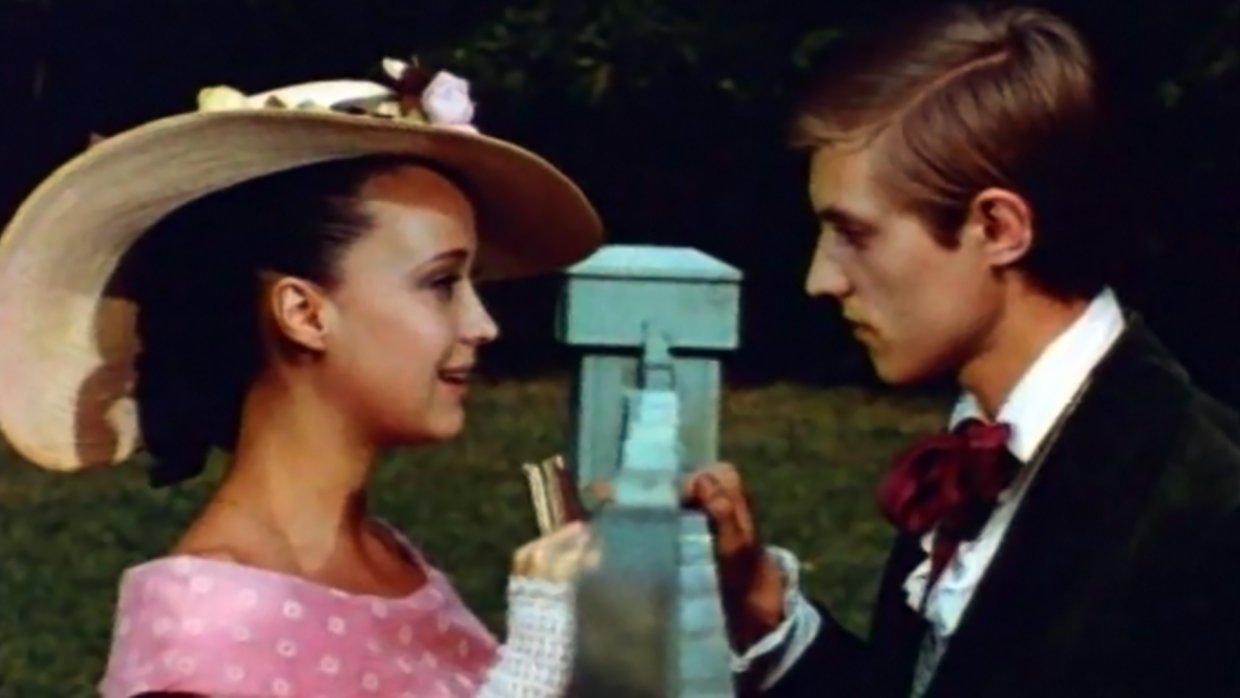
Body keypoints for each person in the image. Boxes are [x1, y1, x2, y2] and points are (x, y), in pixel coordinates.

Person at [684, 4, 1240, 697]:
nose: (820, 279)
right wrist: (764, 608)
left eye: (854, 234)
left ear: (998, 228)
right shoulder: (979, 449)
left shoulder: (1208, 510)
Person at [0, 60, 605, 697]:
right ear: (305, 313)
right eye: (440, 283)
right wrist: (535, 662)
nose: (482, 325)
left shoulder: (385, 556)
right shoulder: (209, 626)